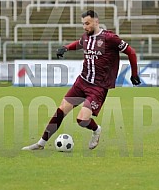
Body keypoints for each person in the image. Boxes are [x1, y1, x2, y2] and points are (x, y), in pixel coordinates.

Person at [22, 10, 141, 151]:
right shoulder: (86, 37)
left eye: (88, 23)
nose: (85, 27)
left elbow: (131, 52)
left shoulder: (110, 38)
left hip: (98, 87)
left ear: (96, 21)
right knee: (60, 111)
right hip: (82, 82)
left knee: (82, 120)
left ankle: (96, 130)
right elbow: (79, 44)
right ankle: (40, 143)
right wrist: (65, 48)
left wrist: (134, 74)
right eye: (83, 24)